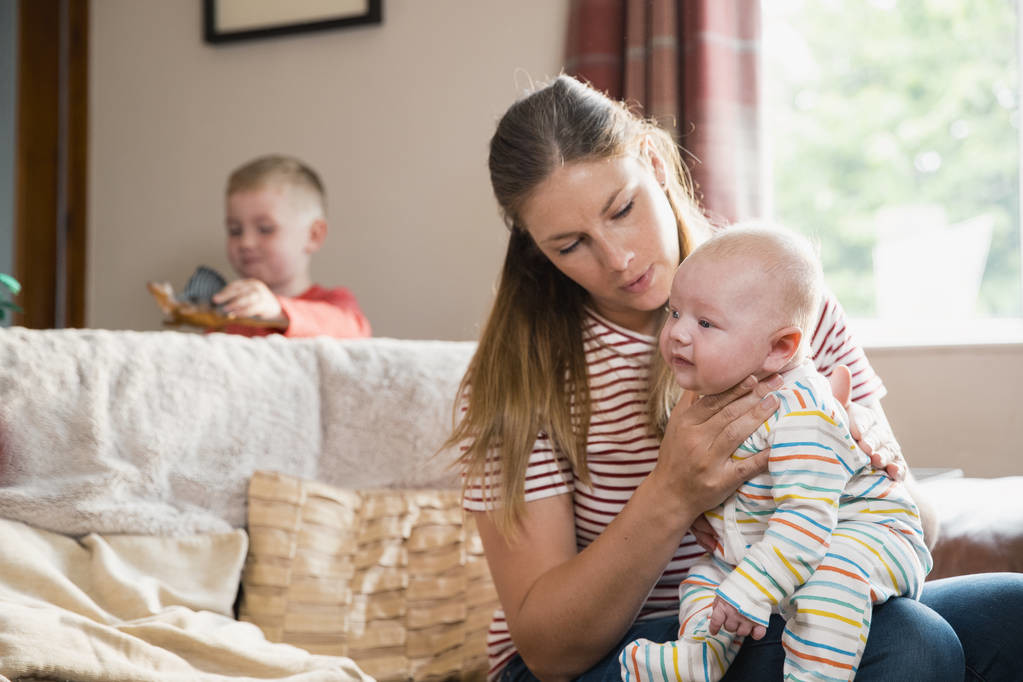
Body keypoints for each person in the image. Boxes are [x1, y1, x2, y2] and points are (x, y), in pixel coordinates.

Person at [448, 73, 1023, 682]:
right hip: (610, 652)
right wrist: (673, 492)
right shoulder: (521, 380)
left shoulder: (784, 304)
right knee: (910, 643)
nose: (617, 258)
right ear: (537, 249)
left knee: (1011, 609)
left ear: (653, 163)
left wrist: (860, 465)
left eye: (622, 209)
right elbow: (547, 651)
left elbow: (914, 527)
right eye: (570, 245)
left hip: (779, 606)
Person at [619, 224, 931, 681]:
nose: (678, 334)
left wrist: (753, 587)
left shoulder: (803, 412)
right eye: (675, 313)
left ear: (780, 348)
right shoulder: (718, 392)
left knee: (829, 588)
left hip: (864, 535)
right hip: (778, 550)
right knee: (704, 580)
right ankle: (698, 656)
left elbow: (806, 521)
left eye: (705, 323)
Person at [210, 154, 372, 338]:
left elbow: (355, 331)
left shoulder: (335, 304)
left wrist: (278, 310)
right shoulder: (225, 316)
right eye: (235, 230)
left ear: (313, 235)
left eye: (265, 229)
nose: (246, 242)